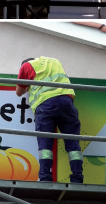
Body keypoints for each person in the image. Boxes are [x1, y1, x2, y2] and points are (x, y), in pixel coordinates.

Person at [17, 56, 81, 184]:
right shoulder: (55, 61)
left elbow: (19, 92)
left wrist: (29, 84)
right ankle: (77, 177)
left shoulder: (26, 66)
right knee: (73, 144)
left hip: (46, 105)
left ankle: (45, 178)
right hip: (67, 103)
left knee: (45, 146)